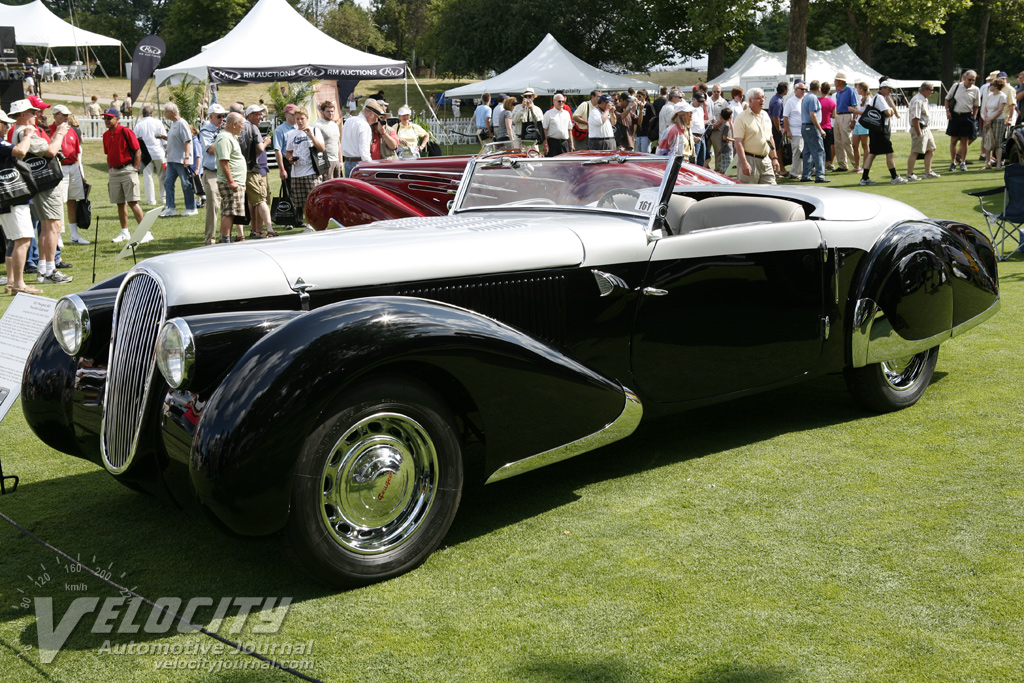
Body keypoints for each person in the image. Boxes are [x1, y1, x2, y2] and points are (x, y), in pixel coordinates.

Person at [10, 99, 71, 284]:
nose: (36, 115)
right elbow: (51, 151)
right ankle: (50, 271)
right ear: (23, 114)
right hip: (45, 185)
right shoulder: (24, 132)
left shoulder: (19, 132)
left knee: (47, 227)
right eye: (32, 112)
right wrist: (60, 133)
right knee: (53, 226)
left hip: (38, 184)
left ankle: (44, 269)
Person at [1, 111, 44, 295]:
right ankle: (19, 284)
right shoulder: (0, 143)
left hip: (7, 201)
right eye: (4, 123)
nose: (7, 127)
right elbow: (20, 152)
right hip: (13, 199)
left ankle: (12, 281)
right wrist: (28, 134)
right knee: (23, 239)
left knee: (14, 240)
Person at [101, 107, 148, 244]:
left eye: (109, 118)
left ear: (117, 119)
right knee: (119, 203)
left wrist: (135, 168)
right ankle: (124, 232)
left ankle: (144, 232)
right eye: (105, 118)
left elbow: (137, 150)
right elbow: (108, 154)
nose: (106, 120)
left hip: (128, 169)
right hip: (114, 172)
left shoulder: (125, 131)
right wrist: (110, 168)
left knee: (133, 202)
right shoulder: (105, 135)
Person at [49, 104, 90, 245]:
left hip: (73, 167)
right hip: (60, 168)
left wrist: (80, 172)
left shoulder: (72, 131)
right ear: (55, 115)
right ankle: (58, 237)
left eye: (67, 115)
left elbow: (77, 154)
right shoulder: (50, 130)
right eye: (63, 115)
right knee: (60, 202)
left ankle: (74, 235)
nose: (67, 117)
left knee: (73, 201)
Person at [859, 80, 907, 186]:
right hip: (880, 131)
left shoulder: (878, 97)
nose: (890, 92)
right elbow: (888, 113)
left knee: (872, 154)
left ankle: (865, 178)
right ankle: (894, 177)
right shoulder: (880, 98)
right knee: (890, 153)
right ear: (883, 88)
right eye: (889, 89)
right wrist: (892, 110)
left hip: (875, 130)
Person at [285, 106, 325, 225]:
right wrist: (290, 159)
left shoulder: (315, 130)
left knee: (314, 201)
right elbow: (288, 152)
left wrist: (311, 137)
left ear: (307, 118)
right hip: (297, 173)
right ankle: (309, 224)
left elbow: (322, 148)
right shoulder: (292, 134)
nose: (300, 121)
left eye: (302, 118)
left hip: (312, 172)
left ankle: (318, 224)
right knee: (302, 202)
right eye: (297, 119)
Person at [732, 88, 779, 185]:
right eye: (758, 98)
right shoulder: (741, 118)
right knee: (749, 194)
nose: (762, 100)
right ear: (750, 100)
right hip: (749, 159)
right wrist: (744, 163)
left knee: (772, 191)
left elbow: (769, 139)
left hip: (766, 160)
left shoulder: (765, 115)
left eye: (763, 97)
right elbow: (738, 142)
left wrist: (774, 158)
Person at [156, 103, 195, 218]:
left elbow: (187, 140)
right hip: (172, 160)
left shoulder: (182, 123)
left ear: (172, 112)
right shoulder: (173, 124)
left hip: (181, 160)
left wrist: (187, 157)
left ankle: (191, 207)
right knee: (168, 182)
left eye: (166, 112)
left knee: (185, 183)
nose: (165, 114)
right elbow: (176, 139)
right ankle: (170, 207)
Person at [240, 104, 274, 237]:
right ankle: (260, 229)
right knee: (261, 199)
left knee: (253, 201)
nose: (260, 117)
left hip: (252, 168)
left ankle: (255, 230)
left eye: (261, 114)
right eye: (257, 114)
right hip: (256, 168)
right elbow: (259, 149)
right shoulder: (252, 127)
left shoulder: (244, 127)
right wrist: (266, 142)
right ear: (249, 115)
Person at [213, 112, 247, 243]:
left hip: (235, 182)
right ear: (234, 124)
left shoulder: (230, 137)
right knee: (229, 212)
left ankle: (226, 239)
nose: (243, 127)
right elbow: (224, 162)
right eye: (241, 124)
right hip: (231, 183)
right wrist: (231, 181)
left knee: (232, 212)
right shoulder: (225, 138)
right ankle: (225, 241)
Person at [197, 104, 227, 244]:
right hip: (211, 173)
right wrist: (225, 136)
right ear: (210, 117)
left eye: (223, 116)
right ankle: (210, 239)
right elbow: (211, 149)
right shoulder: (206, 131)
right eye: (219, 116)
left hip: (225, 171)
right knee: (213, 206)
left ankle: (224, 237)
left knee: (226, 206)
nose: (222, 119)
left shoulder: (224, 131)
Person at [945, 70, 980, 172]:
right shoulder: (956, 86)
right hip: (955, 116)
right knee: (954, 140)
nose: (971, 82)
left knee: (965, 140)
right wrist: (947, 111)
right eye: (970, 80)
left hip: (967, 116)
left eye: (973, 80)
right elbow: (947, 99)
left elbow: (976, 105)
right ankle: (953, 162)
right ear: (964, 78)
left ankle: (963, 162)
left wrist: (974, 117)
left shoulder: (976, 90)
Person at [133, 105, 167, 206]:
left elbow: (135, 141)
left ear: (143, 114)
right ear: (152, 113)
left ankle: (151, 200)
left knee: (148, 177)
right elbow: (164, 139)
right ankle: (164, 198)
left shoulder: (139, 125)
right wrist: (166, 149)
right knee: (162, 176)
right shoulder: (157, 122)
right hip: (158, 152)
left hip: (145, 154)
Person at [906, 82, 940, 181]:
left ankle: (927, 172)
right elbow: (915, 118)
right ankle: (909, 174)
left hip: (926, 128)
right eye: (931, 90)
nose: (932, 92)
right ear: (925, 90)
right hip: (919, 128)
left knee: (931, 148)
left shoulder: (924, 99)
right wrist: (918, 132)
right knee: (915, 151)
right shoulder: (918, 100)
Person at [340, 98, 382, 177]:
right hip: (359, 164)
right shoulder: (364, 125)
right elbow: (364, 151)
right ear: (371, 114)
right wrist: (371, 167)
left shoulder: (349, 120)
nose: (376, 121)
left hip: (347, 162)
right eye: (376, 118)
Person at [800, 81, 829, 183]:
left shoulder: (806, 97)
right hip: (811, 127)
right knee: (819, 151)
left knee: (807, 151)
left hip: (805, 126)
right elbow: (813, 114)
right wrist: (820, 129)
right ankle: (820, 175)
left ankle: (806, 175)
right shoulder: (813, 98)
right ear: (819, 88)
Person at [832, 72, 856, 172]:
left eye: (836, 80)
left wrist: (853, 119)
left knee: (846, 140)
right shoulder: (838, 91)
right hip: (838, 115)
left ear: (841, 81)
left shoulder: (850, 90)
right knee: (837, 141)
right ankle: (842, 164)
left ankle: (855, 163)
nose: (834, 82)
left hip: (846, 115)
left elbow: (855, 105)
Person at [782, 82, 806, 179]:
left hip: (804, 130)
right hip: (795, 130)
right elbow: (785, 117)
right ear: (796, 90)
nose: (804, 91)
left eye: (805, 89)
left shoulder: (804, 100)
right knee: (797, 151)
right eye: (802, 89)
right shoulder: (790, 101)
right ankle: (795, 172)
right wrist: (788, 131)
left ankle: (797, 171)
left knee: (801, 152)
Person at [982, 77, 1008, 170]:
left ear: (996, 86)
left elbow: (999, 110)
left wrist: (990, 119)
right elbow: (985, 108)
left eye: (991, 84)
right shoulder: (990, 95)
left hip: (998, 121)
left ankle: (998, 164)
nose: (989, 86)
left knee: (997, 143)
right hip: (988, 120)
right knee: (987, 141)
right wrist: (986, 118)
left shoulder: (1002, 96)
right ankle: (988, 163)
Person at [313, 100, 342, 178]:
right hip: (325, 161)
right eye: (328, 111)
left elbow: (338, 143)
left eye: (332, 111)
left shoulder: (335, 125)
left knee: (337, 187)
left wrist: (341, 161)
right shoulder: (317, 125)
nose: (331, 113)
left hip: (336, 160)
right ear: (322, 112)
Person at [273, 103, 297, 192]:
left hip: (300, 162)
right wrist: (282, 169)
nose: (295, 116)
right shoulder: (280, 130)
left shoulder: (299, 127)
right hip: (287, 163)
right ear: (286, 114)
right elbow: (278, 150)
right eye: (293, 114)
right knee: (290, 190)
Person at [850, 82, 872, 172]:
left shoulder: (868, 99)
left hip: (864, 124)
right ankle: (857, 166)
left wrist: (854, 110)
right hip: (858, 124)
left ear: (862, 89)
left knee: (865, 145)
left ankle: (865, 167)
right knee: (854, 145)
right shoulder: (860, 98)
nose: (856, 90)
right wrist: (854, 120)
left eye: (858, 88)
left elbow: (866, 113)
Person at [819, 82, 836, 171]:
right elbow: (834, 115)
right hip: (828, 127)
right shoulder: (832, 102)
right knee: (827, 148)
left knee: (818, 148)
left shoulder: (817, 100)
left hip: (818, 127)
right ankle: (824, 166)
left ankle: (817, 165)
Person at [635, 90, 654, 154]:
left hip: (646, 134)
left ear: (645, 97)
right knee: (638, 154)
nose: (638, 98)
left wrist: (651, 134)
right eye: (637, 96)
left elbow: (653, 119)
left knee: (645, 154)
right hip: (638, 134)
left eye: (639, 96)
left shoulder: (649, 106)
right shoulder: (637, 106)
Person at [717, 108, 734, 174]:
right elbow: (725, 137)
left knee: (723, 167)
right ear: (730, 116)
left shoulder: (724, 123)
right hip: (727, 148)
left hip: (724, 148)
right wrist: (733, 140)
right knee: (727, 167)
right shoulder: (727, 125)